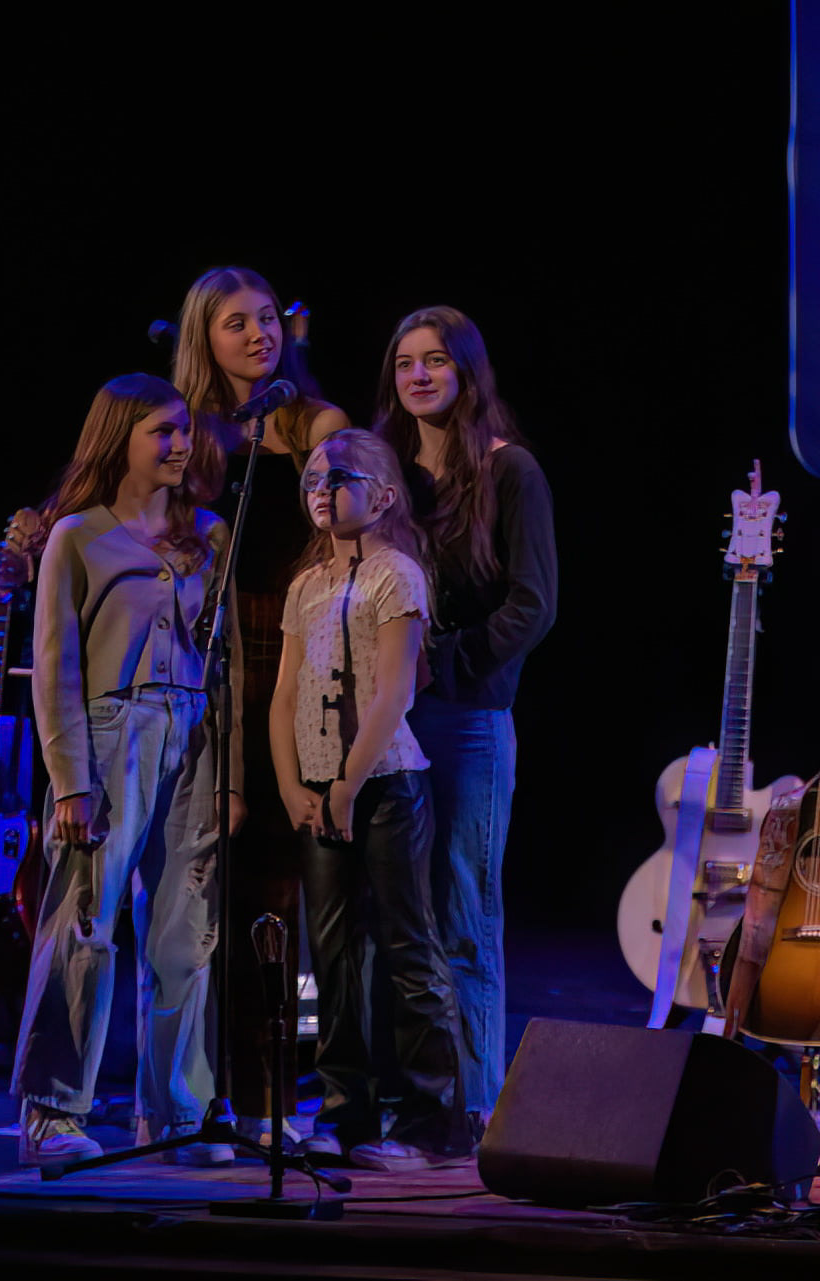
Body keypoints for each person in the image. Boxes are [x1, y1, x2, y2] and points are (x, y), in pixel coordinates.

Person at [12, 373, 243, 1166]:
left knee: (187, 936)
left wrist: (232, 775)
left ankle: (177, 1111)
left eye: (184, 429)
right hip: (112, 735)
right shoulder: (78, 534)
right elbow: (54, 666)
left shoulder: (209, 535)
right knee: (84, 921)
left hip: (194, 735)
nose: (180, 444)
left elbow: (231, 667)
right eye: (161, 431)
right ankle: (52, 1112)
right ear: (120, 438)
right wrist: (71, 778)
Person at [172, 265, 349, 1146]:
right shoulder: (189, 439)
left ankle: (286, 1097)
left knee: (291, 900)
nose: (257, 334)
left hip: (302, 671)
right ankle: (212, 1096)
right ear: (203, 338)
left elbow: (355, 513)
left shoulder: (314, 425)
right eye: (235, 322)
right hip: (214, 680)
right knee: (214, 902)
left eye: (268, 318)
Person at [372, 307, 556, 1131]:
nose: (417, 375)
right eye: (405, 361)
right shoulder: (388, 473)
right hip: (388, 715)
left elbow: (534, 603)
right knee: (397, 917)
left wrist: (447, 659)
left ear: (466, 372)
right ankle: (406, 1099)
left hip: (468, 716)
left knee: (466, 909)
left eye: (435, 360)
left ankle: (476, 1104)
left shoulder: (510, 470)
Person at [271, 428, 470, 1170]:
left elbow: (393, 689)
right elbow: (285, 693)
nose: (321, 490)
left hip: (384, 784)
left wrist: (350, 781)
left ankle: (428, 1122)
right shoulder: (305, 585)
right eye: (311, 481)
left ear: (382, 495)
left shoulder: (397, 574)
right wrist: (294, 784)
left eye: (339, 476)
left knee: (405, 946)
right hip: (320, 789)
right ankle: (342, 1113)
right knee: (330, 957)